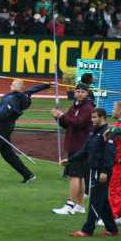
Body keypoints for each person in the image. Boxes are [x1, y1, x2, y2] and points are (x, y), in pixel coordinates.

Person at [60, 108, 118, 237]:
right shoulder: (93, 132)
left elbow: (110, 154)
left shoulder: (108, 133)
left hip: (101, 172)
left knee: (95, 200)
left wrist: (104, 171)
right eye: (91, 117)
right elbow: (84, 150)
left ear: (102, 117)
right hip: (93, 170)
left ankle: (87, 230)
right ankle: (112, 229)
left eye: (94, 117)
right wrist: (70, 160)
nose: (92, 120)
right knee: (102, 200)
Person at [51, 83, 94, 215]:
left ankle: (69, 205)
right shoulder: (75, 106)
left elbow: (78, 122)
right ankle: (80, 206)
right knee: (79, 177)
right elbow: (67, 124)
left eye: (83, 92)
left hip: (80, 146)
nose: (80, 94)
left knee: (75, 176)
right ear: (74, 92)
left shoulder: (88, 107)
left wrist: (62, 116)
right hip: (75, 144)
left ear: (87, 93)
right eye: (78, 91)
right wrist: (57, 117)